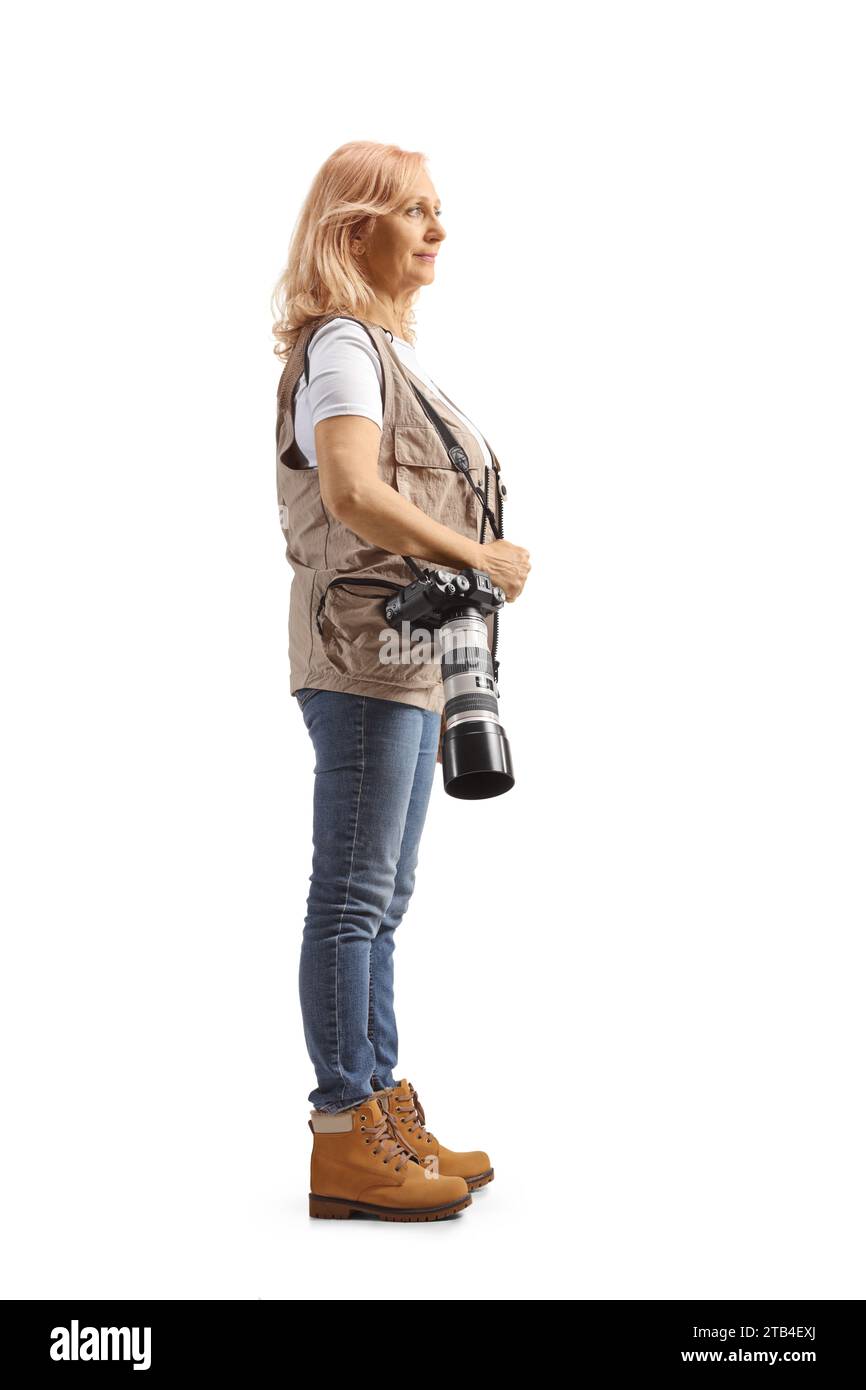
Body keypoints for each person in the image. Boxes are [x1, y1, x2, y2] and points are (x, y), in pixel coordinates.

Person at [271, 141, 531, 1221]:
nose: (435, 228)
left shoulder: (380, 350)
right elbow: (349, 489)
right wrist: (473, 556)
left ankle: (377, 1105)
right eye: (412, 210)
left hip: (411, 661)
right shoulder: (340, 347)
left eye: (439, 210)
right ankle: (345, 1134)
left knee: (381, 900)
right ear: (352, 230)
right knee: (352, 899)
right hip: (367, 655)